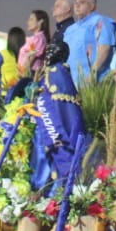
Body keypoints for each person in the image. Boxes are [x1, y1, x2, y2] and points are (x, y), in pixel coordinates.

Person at [29, 40, 88, 192]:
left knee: (49, 166)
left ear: (62, 54)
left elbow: (64, 111)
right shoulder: (50, 72)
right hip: (43, 129)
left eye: (53, 50)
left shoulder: (57, 72)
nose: (48, 53)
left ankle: (49, 198)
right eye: (47, 49)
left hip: (53, 131)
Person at [64, 0, 116, 84]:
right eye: (76, 3)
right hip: (71, 81)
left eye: (82, 2)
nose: (77, 5)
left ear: (92, 6)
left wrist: (92, 74)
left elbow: (105, 48)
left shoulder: (100, 21)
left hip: (94, 81)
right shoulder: (70, 29)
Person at [0, 27, 26, 114]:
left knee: (5, 125)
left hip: (5, 95)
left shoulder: (2, 55)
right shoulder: (26, 57)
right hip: (22, 97)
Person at [18, 10, 50, 80]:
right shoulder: (35, 38)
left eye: (31, 19)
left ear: (40, 22)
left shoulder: (39, 38)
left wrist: (21, 75)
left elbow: (31, 58)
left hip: (30, 75)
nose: (28, 22)